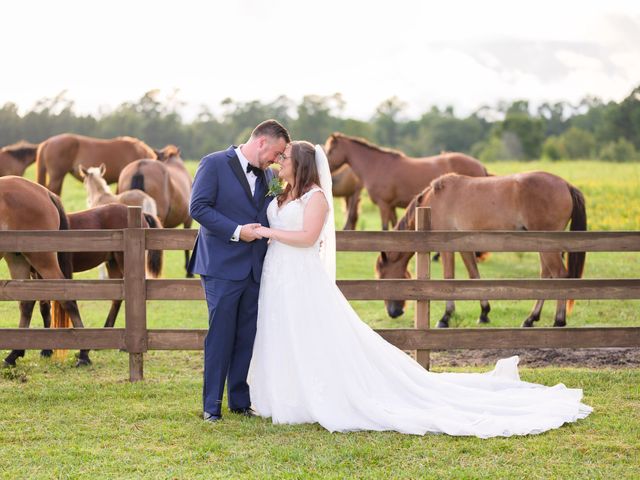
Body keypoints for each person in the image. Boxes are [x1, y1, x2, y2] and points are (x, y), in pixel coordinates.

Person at [248, 140, 592, 437]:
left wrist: (268, 233)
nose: (280, 161)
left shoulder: (315, 197)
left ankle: (554, 309)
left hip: (297, 272)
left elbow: (308, 237)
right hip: (280, 275)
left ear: (303, 165)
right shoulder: (282, 191)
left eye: (286, 157)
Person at [188, 119, 291, 422]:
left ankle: (239, 401)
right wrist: (236, 231)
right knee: (220, 335)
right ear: (262, 141)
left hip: (256, 268)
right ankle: (211, 407)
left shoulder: (269, 175)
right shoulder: (214, 164)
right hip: (220, 266)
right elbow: (199, 208)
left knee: (247, 334)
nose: (277, 159)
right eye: (277, 152)